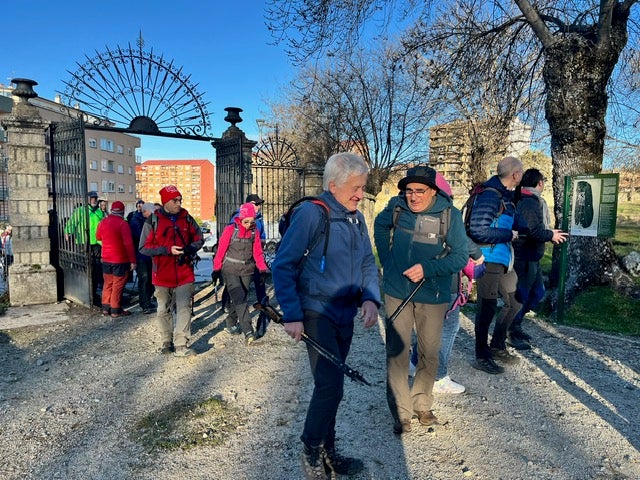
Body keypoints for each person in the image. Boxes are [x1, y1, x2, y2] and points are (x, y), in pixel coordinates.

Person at [272, 152, 380, 480]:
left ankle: (328, 453)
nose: (361, 194)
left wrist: (371, 298)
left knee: (334, 387)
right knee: (330, 385)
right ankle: (310, 449)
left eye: (363, 187)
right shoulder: (310, 214)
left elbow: (366, 262)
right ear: (333, 185)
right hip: (316, 311)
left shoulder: (356, 218)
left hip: (345, 312)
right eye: (356, 187)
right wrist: (292, 314)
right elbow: (283, 264)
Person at [374, 166, 467, 435]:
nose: (413, 197)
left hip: (433, 294)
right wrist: (388, 259)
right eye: (409, 191)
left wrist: (428, 269)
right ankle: (401, 412)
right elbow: (380, 226)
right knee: (398, 352)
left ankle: (422, 404)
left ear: (433, 192)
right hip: (395, 290)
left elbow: (460, 256)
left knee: (429, 352)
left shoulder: (450, 215)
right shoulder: (396, 207)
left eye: (420, 191)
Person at [408, 174, 484, 395]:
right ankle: (438, 377)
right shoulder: (441, 214)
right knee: (447, 328)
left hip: (419, 279)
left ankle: (414, 363)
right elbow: (460, 240)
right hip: (442, 280)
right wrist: (478, 256)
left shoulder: (412, 214)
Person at [467, 156, 527, 375]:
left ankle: (497, 346)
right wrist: (507, 234)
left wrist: (542, 233)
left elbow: (515, 224)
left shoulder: (506, 196)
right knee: (487, 307)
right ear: (515, 175)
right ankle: (481, 355)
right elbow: (477, 229)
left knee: (515, 301)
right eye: (521, 171)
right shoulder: (491, 195)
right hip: (486, 258)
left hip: (502, 259)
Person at [139, 185, 204, 357]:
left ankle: (181, 344)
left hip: (184, 271)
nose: (179, 203)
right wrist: (167, 250)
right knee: (163, 309)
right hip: (161, 273)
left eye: (180, 199)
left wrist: (189, 248)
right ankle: (166, 341)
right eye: (175, 200)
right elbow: (144, 248)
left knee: (184, 308)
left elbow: (199, 239)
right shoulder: (153, 220)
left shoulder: (187, 217)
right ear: (165, 202)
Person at [508, 169, 568, 350]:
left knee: (537, 293)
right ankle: (511, 330)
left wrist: (548, 234)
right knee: (523, 295)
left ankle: (516, 325)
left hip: (532, 255)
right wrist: (550, 235)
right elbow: (533, 230)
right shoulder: (528, 202)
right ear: (539, 183)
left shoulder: (528, 199)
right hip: (524, 256)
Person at [213, 202, 269, 345]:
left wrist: (262, 268)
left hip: (247, 270)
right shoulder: (231, 229)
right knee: (240, 299)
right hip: (230, 269)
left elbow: (257, 252)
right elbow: (221, 250)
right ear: (240, 218)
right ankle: (248, 332)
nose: (248, 224)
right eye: (246, 221)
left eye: (252, 221)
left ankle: (230, 322)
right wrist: (216, 268)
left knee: (240, 298)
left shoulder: (254, 231)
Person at [64, 191, 107, 306]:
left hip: (97, 244)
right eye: (92, 198)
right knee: (85, 268)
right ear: (87, 199)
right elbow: (72, 222)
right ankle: (85, 294)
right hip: (84, 242)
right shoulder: (81, 211)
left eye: (95, 198)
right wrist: (68, 231)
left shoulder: (99, 212)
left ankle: (93, 293)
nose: (93, 200)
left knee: (96, 269)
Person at [96, 201, 136, 318]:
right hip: (120, 260)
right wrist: (133, 261)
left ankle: (105, 308)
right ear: (122, 211)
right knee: (118, 285)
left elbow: (97, 236)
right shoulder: (123, 224)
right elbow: (128, 244)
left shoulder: (103, 222)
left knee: (107, 283)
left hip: (106, 258)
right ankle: (115, 310)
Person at [129, 202, 156, 314]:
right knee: (144, 279)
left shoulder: (145, 220)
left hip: (147, 255)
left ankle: (146, 301)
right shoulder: (136, 221)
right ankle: (145, 304)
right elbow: (142, 237)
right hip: (141, 255)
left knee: (149, 279)